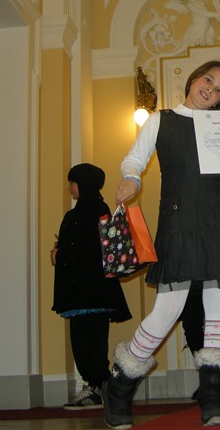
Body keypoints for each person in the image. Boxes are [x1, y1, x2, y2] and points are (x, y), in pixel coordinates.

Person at [102, 61, 220, 429]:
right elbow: (134, 158)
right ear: (194, 79)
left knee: (219, 308)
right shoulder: (161, 120)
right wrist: (131, 179)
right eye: (208, 80)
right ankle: (119, 386)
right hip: (179, 224)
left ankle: (213, 398)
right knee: (167, 309)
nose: (211, 90)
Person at [51, 163, 132, 410]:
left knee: (90, 341)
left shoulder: (92, 211)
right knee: (85, 340)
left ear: (83, 184)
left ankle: (96, 388)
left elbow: (85, 249)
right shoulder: (91, 211)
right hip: (85, 291)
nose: (69, 188)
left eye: (72, 183)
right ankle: (97, 386)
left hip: (91, 291)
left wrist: (59, 254)